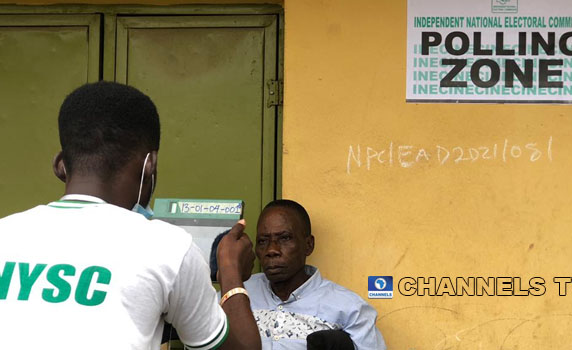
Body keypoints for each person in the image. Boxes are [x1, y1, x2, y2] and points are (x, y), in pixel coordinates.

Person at [0, 81, 261, 350]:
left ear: (60, 165)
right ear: (150, 165)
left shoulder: (4, 233)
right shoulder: (168, 247)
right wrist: (230, 271)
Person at [242, 199, 386, 350]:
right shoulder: (238, 294)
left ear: (308, 245)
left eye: (284, 238)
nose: (272, 250)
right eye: (263, 241)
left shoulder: (349, 309)